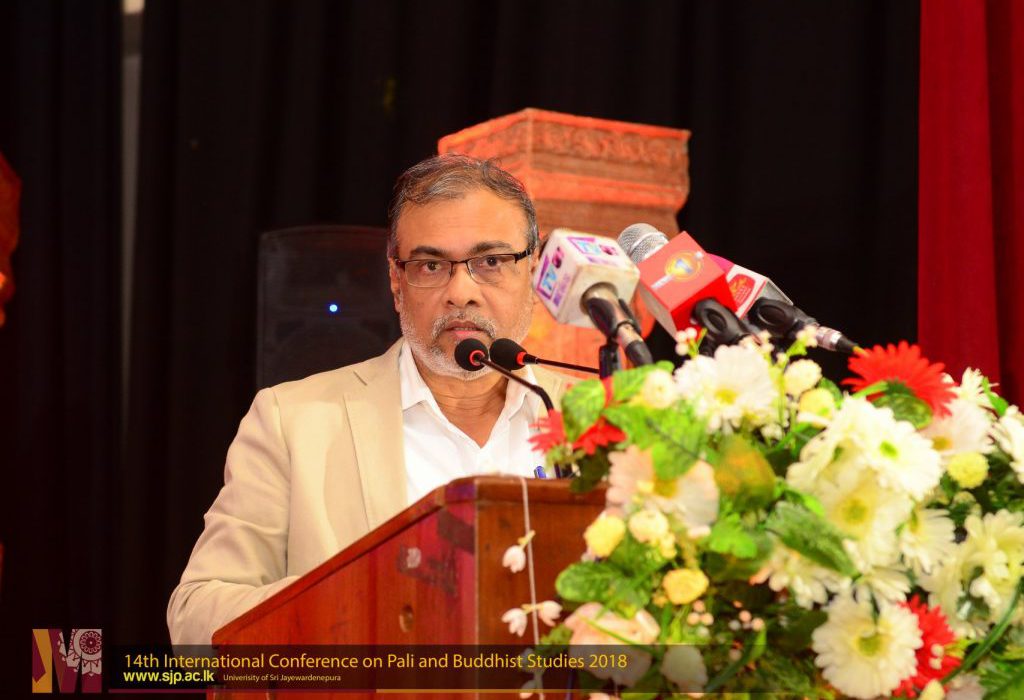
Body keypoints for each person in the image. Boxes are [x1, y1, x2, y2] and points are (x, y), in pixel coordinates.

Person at [167, 155, 572, 644]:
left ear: (532, 272)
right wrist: (362, 599)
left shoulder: (603, 418)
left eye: (490, 262)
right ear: (396, 282)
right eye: (431, 265)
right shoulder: (293, 422)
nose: (460, 291)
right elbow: (195, 620)